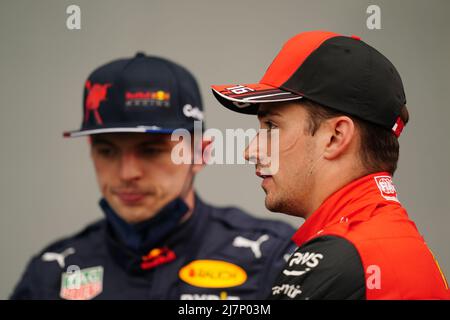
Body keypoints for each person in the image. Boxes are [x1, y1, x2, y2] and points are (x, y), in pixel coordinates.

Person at [11, 53, 295, 300]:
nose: (127, 173)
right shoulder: (52, 272)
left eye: (150, 150)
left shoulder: (273, 256)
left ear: (201, 153)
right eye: (107, 151)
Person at [211, 30, 449, 299]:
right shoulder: (388, 241)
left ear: (335, 137)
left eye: (272, 126)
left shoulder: (341, 258)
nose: (250, 151)